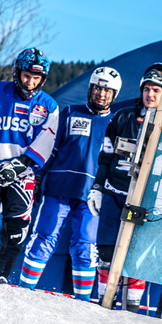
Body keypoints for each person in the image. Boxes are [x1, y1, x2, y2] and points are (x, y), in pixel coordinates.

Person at [18, 67, 122, 300]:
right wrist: (38, 177)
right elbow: (49, 147)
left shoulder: (116, 123)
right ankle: (24, 292)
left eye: (107, 90)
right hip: (59, 188)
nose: (101, 94)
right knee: (44, 236)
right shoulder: (69, 112)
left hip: (92, 195)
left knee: (85, 246)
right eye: (97, 88)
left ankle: (82, 302)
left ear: (114, 94)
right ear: (90, 89)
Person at [0, 48, 59, 283]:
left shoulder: (48, 105)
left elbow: (46, 141)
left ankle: (1, 277)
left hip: (21, 173)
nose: (30, 83)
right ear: (16, 72)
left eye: (36, 78)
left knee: (16, 231)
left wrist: (20, 165)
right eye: (27, 76)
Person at [88, 62, 162, 311]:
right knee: (106, 250)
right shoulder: (123, 116)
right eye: (147, 89)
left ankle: (132, 308)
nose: (150, 95)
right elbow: (105, 157)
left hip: (144, 198)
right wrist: (97, 188)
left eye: (157, 90)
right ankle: (104, 300)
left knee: (137, 253)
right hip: (114, 191)